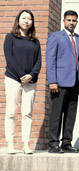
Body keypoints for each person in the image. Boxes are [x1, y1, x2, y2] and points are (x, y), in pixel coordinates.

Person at [46, 10, 79, 153]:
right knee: (57, 113)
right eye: (69, 20)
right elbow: (50, 60)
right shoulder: (55, 36)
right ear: (64, 21)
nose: (71, 23)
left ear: (77, 22)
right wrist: (52, 81)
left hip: (75, 83)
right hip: (59, 82)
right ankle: (53, 143)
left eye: (74, 20)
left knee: (71, 114)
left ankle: (66, 143)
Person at [3, 10, 41, 155]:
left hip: (30, 81)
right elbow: (9, 58)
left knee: (27, 113)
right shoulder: (10, 37)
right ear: (18, 20)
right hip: (13, 78)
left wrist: (31, 75)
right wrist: (21, 75)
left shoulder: (35, 41)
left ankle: (26, 144)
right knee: (11, 112)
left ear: (32, 22)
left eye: (29, 19)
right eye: (24, 18)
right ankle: (10, 144)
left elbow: (38, 61)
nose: (26, 21)